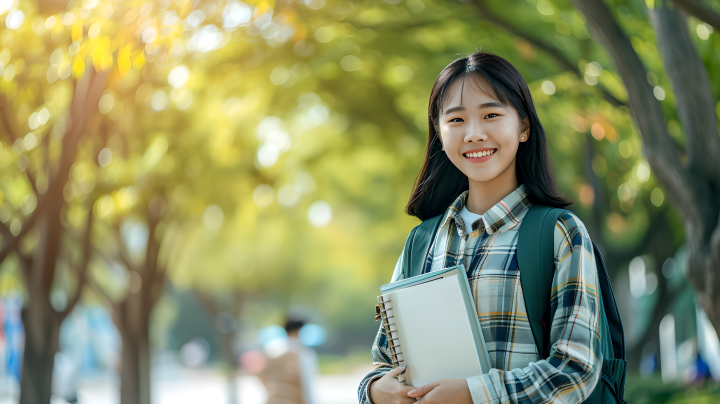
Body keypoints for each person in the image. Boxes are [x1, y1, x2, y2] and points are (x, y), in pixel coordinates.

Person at [357, 52, 602, 404]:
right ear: (440, 134)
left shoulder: (559, 234)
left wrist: (474, 394)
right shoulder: (421, 242)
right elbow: (384, 360)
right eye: (455, 120)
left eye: (491, 115)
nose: (474, 134)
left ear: (523, 127)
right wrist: (376, 391)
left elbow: (575, 371)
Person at [259, 317, 318, 404]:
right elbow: (306, 388)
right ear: (299, 331)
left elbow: (261, 375)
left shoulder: (270, 350)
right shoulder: (303, 353)